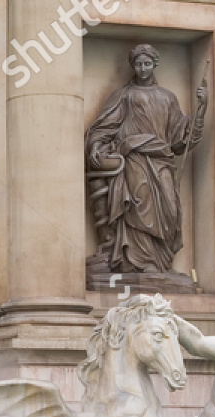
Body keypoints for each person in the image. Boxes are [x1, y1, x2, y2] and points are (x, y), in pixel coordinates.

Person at [85, 43, 204, 275]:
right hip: (135, 159)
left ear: (155, 64)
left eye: (147, 64)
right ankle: (137, 262)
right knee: (139, 205)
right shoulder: (124, 96)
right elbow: (103, 127)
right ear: (133, 65)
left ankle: (160, 264)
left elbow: (180, 135)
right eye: (138, 64)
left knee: (169, 207)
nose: (142, 69)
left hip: (161, 161)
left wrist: (202, 108)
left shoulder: (168, 97)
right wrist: (96, 146)